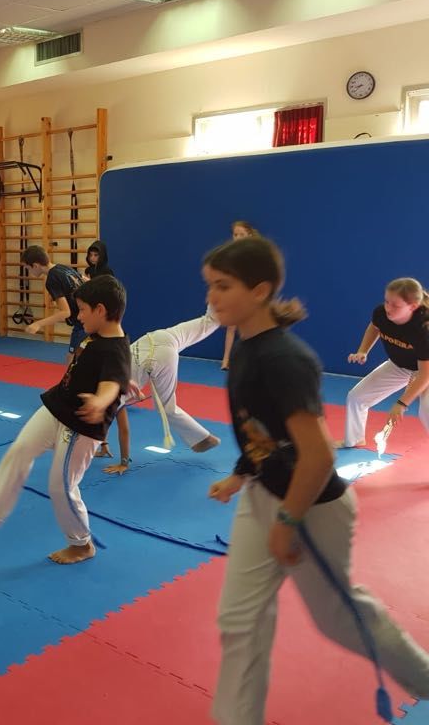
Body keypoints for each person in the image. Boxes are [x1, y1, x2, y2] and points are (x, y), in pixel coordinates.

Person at [202, 236, 429, 725]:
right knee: (239, 620)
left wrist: (288, 520)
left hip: (312, 508)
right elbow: (261, 429)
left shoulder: (284, 359)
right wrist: (240, 475)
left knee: (339, 620)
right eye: (210, 286)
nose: (211, 297)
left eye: (223, 286)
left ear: (260, 290)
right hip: (265, 493)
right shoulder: (245, 348)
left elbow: (319, 455)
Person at [0, 276, 131, 565]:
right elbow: (112, 374)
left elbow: (111, 383)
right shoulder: (98, 333)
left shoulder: (117, 349)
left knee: (60, 486)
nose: (78, 316)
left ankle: (81, 544)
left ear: (100, 310)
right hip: (57, 406)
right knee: (19, 451)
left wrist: (101, 400)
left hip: (81, 425)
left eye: (83, 310)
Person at [97, 307, 222, 472]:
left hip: (158, 359)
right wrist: (104, 444)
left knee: (167, 408)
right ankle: (217, 304)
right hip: (158, 337)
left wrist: (124, 463)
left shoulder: (113, 398)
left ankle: (204, 438)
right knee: (207, 322)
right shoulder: (103, 380)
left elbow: (123, 430)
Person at [339, 277, 429, 448]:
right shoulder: (381, 313)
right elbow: (374, 327)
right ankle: (355, 440)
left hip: (425, 370)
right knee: (357, 397)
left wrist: (401, 404)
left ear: (412, 307)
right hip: (399, 365)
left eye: (395, 305)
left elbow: (425, 375)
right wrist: (363, 351)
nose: (388, 307)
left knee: (427, 412)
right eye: (387, 301)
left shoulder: (423, 329)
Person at [20, 245, 85, 363]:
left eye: (28, 268)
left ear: (36, 265)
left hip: (83, 323)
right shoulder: (63, 268)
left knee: (72, 358)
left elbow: (65, 312)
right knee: (75, 357)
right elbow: (84, 280)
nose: (29, 272)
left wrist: (38, 324)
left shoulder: (52, 279)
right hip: (91, 317)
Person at [222, 221, 260, 370]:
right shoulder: (231, 253)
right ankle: (226, 359)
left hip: (250, 291)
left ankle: (248, 360)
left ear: (249, 235)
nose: (237, 238)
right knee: (231, 326)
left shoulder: (255, 252)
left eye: (241, 235)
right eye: (235, 234)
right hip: (236, 291)